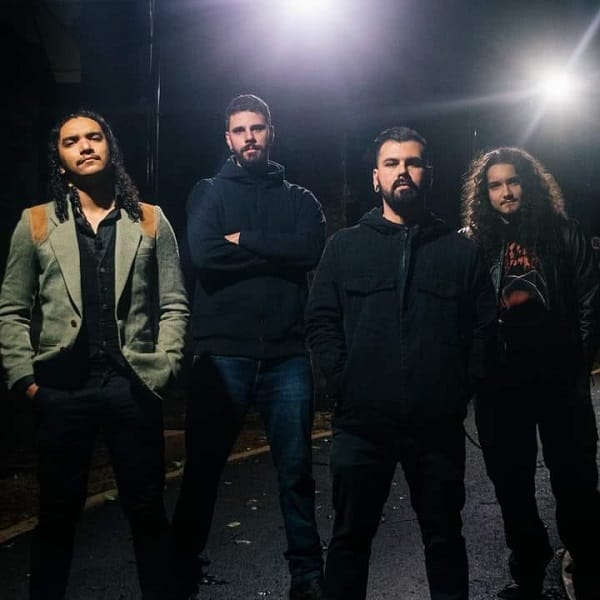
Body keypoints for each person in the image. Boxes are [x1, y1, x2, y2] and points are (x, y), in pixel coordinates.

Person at [0, 110, 189, 600]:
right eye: (71, 141)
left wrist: (166, 365)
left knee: (147, 512)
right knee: (57, 519)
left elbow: (174, 302)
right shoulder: (36, 222)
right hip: (62, 390)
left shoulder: (150, 219)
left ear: (110, 147)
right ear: (59, 158)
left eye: (94, 137)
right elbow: (12, 309)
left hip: (132, 386)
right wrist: (26, 380)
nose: (85, 146)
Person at [305, 126, 497, 600]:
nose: (402, 172)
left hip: (436, 425)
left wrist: (459, 388)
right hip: (361, 424)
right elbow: (321, 321)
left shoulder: (460, 251)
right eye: (391, 163)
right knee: (350, 540)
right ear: (376, 177)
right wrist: (346, 382)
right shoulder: (344, 247)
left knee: (444, 537)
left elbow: (483, 329)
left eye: (412, 162)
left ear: (429, 173)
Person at [170, 94, 326, 600]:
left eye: (257, 128)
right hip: (222, 354)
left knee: (296, 472)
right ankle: (180, 571)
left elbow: (310, 249)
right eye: (240, 130)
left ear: (270, 132)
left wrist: (245, 239)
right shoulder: (209, 192)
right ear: (228, 138)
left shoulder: (300, 199)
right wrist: (275, 251)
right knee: (202, 470)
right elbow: (205, 255)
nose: (249, 137)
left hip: (287, 356)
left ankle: (307, 576)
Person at [461, 147, 600, 600]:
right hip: (501, 384)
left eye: (513, 181)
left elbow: (590, 300)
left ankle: (587, 564)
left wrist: (576, 365)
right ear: (484, 194)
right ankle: (529, 570)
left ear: (529, 183)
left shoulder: (563, 232)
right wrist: (475, 372)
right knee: (511, 485)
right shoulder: (473, 243)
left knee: (576, 480)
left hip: (559, 379)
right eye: (495, 185)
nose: (506, 191)